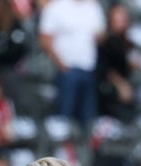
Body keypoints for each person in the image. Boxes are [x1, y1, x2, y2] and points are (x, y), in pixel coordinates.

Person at [38, 0, 106, 131]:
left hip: (89, 69)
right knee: (65, 117)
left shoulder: (93, 7)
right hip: (67, 69)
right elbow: (45, 39)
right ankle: (63, 149)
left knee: (88, 118)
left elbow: (101, 37)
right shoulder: (56, 6)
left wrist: (99, 35)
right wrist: (60, 63)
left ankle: (84, 149)